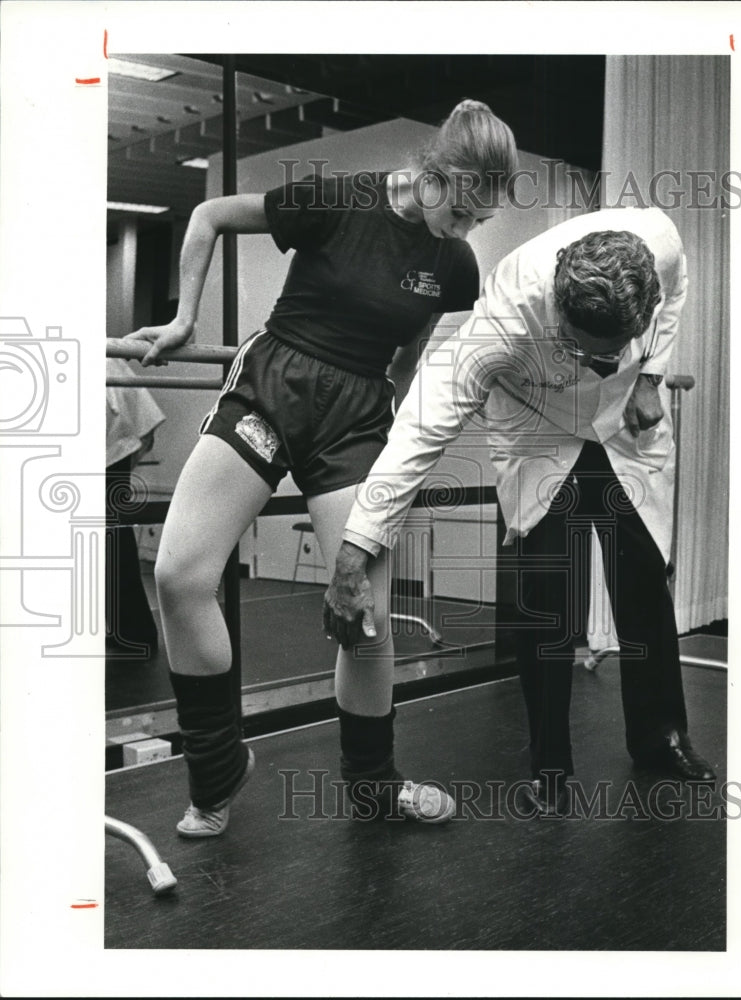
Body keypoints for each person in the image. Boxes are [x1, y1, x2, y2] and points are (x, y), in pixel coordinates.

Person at [124, 100, 519, 835]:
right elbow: (209, 215)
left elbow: (408, 354)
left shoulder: (454, 262)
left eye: (479, 220)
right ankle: (216, 766)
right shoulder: (338, 198)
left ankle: (372, 785)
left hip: (358, 417)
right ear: (435, 175)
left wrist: (393, 443)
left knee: (365, 618)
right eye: (462, 212)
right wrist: (183, 320)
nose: (465, 232)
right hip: (272, 388)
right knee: (179, 575)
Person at [323, 206, 717, 815]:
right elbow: (416, 437)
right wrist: (355, 551)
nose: (598, 364)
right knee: (546, 596)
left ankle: (661, 736)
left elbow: (676, 289)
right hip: (539, 427)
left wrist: (648, 376)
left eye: (613, 352)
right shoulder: (500, 325)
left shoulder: (656, 240)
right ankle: (550, 767)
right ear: (559, 314)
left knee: (643, 575)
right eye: (587, 353)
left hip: (621, 426)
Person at [106, 356, 166, 657]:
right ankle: (129, 630)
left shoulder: (106, 359)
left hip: (112, 448)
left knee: (113, 542)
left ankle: (134, 631)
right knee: (113, 541)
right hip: (115, 445)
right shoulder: (109, 360)